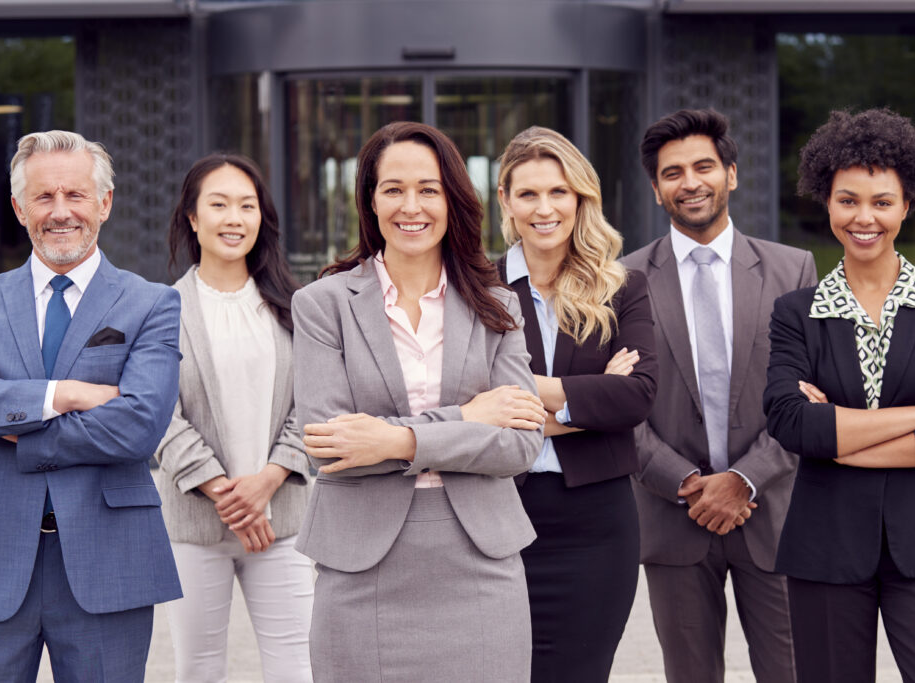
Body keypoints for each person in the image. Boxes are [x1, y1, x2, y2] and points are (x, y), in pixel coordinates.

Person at [292, 121, 545, 682]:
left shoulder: (497, 307)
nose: (412, 206)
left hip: (479, 564)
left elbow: (521, 444)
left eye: (428, 189)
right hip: (362, 566)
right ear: (370, 200)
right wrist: (469, 419)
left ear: (452, 199)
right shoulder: (321, 305)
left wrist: (395, 439)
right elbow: (329, 447)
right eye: (394, 189)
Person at [0, 130, 182, 680]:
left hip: (110, 562)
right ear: (18, 207)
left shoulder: (152, 303)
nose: (60, 212)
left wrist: (5, 419)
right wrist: (66, 395)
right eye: (44, 197)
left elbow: (139, 428)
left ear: (104, 203)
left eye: (75, 195)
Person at [763, 108, 915, 683]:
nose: (864, 217)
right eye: (847, 200)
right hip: (825, 547)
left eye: (882, 202)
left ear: (907, 205)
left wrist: (839, 437)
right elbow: (790, 422)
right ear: (826, 203)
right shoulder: (795, 314)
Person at [621, 108, 814, 683]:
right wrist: (685, 483)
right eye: (672, 172)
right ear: (656, 190)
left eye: (704, 166)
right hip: (672, 515)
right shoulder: (621, 282)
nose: (691, 182)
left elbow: (810, 400)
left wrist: (744, 478)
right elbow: (618, 404)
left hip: (774, 512)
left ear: (730, 173)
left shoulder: (792, 270)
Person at [494, 126, 657, 681]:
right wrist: (588, 400)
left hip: (597, 523)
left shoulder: (621, 287)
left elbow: (636, 395)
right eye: (529, 194)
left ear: (581, 198)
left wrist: (523, 394)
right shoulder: (474, 287)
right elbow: (464, 403)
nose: (545, 208)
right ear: (506, 201)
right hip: (497, 516)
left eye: (559, 192)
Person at [156, 153, 313, 681]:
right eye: (218, 205)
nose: (234, 218)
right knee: (198, 670)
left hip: (284, 523)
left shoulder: (296, 308)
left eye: (247, 206)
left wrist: (266, 483)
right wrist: (225, 494)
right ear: (193, 219)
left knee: (297, 668)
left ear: (260, 219)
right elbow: (159, 415)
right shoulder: (161, 310)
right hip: (194, 526)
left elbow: (314, 404)